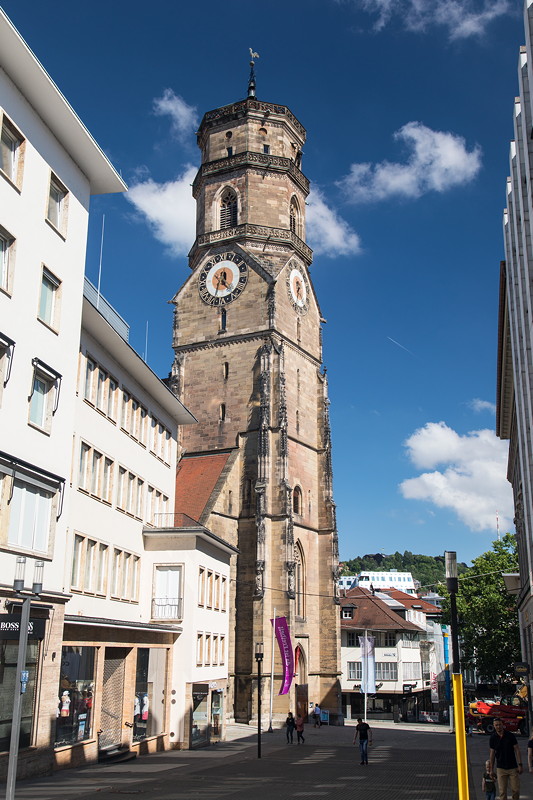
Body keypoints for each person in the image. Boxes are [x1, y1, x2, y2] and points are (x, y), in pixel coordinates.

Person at [489, 718, 523, 800]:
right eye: (496, 725)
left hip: (512, 767)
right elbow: (492, 754)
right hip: (500, 768)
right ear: (494, 726)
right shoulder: (493, 737)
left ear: (503, 725)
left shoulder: (510, 735)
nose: (498, 727)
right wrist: (491, 770)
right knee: (502, 792)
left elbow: (517, 750)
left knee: (515, 790)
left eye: (500, 724)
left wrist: (520, 764)